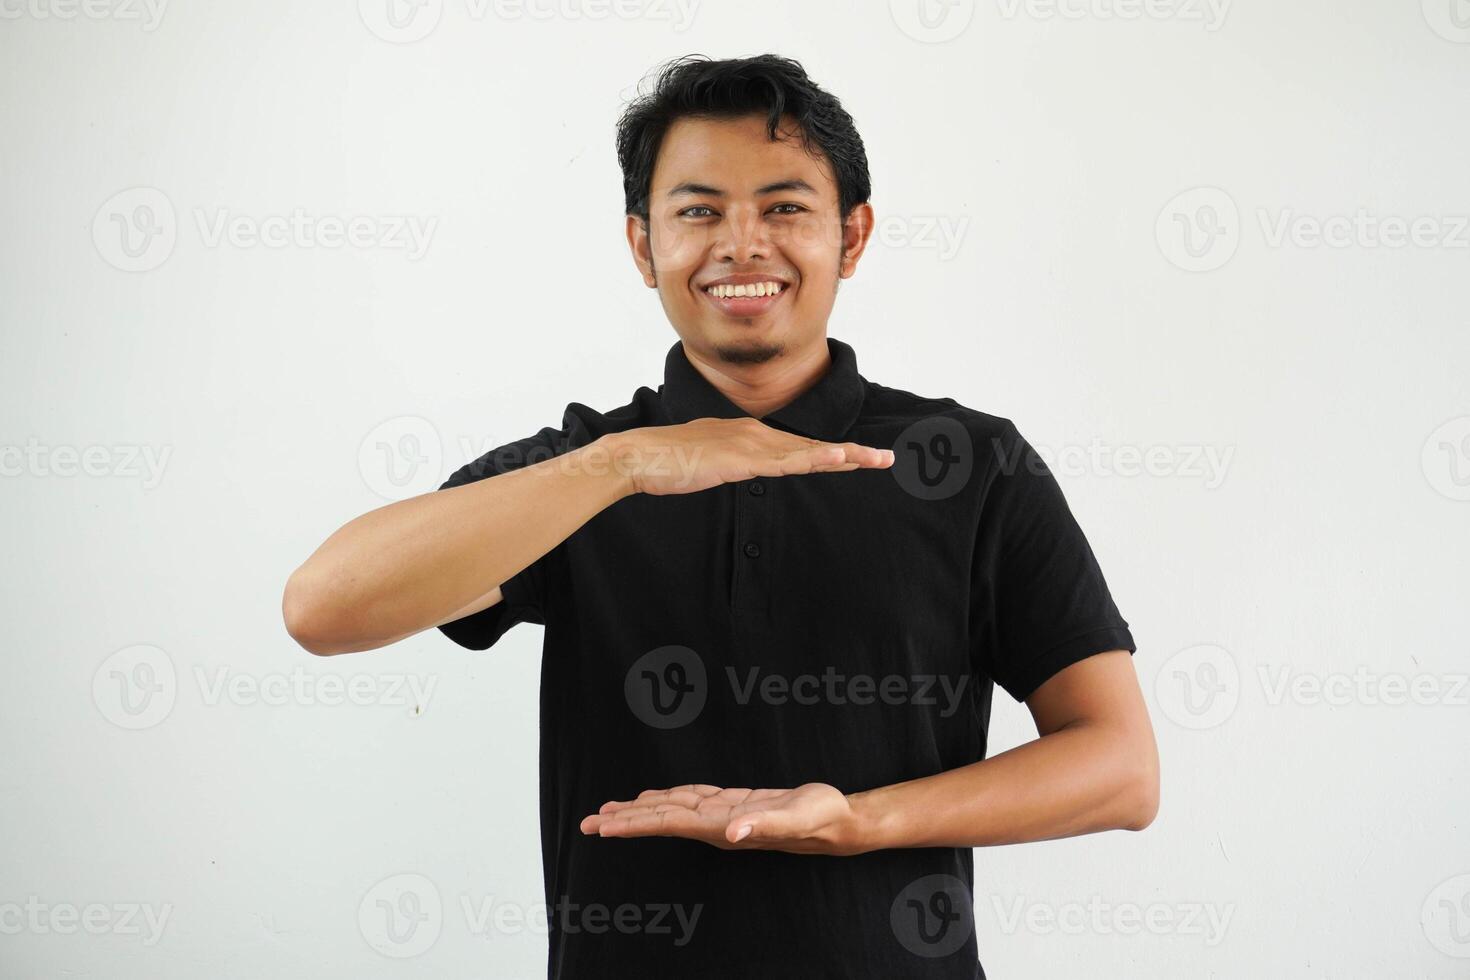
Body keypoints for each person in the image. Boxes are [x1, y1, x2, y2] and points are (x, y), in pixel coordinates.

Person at [283, 53, 1159, 980]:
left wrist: (860, 821)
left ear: (852, 237)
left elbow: (1121, 768)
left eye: (784, 208)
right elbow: (322, 608)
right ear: (642, 244)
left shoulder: (968, 465)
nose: (742, 244)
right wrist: (628, 463)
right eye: (698, 212)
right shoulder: (583, 468)